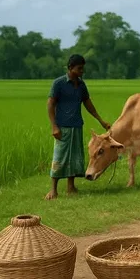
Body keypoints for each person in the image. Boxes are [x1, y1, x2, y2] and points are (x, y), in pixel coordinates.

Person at [45, 54, 110, 200]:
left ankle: (71, 186)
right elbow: (50, 104)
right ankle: (53, 190)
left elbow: (88, 104)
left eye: (83, 68)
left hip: (77, 126)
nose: (82, 71)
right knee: (60, 156)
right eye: (79, 68)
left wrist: (101, 120)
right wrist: (54, 126)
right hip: (63, 127)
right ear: (70, 68)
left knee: (75, 157)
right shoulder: (59, 84)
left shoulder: (81, 85)